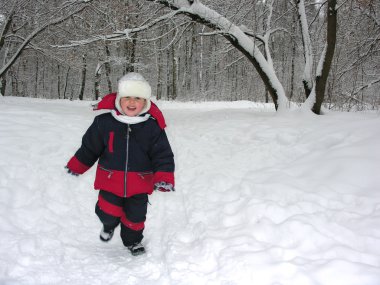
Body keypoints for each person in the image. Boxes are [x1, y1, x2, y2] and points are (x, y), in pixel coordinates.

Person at [65, 72, 175, 256]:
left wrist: (164, 177)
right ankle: (109, 224)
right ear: (119, 99)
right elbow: (90, 148)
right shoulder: (104, 123)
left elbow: (162, 155)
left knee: (136, 217)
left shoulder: (152, 127)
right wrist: (77, 165)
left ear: (146, 102)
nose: (132, 102)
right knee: (107, 211)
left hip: (140, 183)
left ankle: (133, 241)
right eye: (127, 98)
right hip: (110, 180)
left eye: (138, 98)